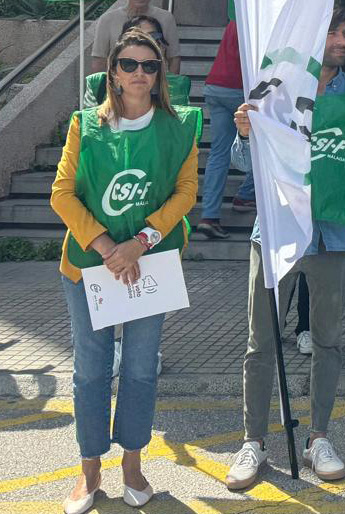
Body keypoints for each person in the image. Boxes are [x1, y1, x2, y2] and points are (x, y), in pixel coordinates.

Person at [225, 7, 345, 488]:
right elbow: (243, 164)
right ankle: (253, 442)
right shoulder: (275, 95)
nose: (340, 40)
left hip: (336, 234)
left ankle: (318, 436)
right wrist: (243, 133)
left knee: (328, 341)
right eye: (331, 32)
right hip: (275, 231)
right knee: (260, 341)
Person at [50, 29, 199, 513]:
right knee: (90, 371)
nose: (139, 73)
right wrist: (108, 245)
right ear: (112, 72)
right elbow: (62, 193)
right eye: (129, 64)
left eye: (149, 66)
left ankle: (133, 463)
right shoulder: (84, 125)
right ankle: (89, 470)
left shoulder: (180, 129)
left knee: (139, 370)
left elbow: (185, 193)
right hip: (89, 267)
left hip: (149, 266)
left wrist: (140, 243)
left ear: (161, 76)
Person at [194, 20, 257, 240]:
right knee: (262, 147)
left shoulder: (236, 16)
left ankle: (209, 216)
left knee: (218, 154)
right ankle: (246, 194)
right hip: (243, 89)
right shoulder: (260, 15)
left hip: (216, 85)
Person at [84, 16, 192, 108]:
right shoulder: (98, 84)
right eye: (136, 38)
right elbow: (88, 129)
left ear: (161, 47)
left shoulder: (178, 85)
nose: (139, 73)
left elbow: (180, 128)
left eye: (152, 37)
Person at [89, 0, 181, 74]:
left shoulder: (166, 18)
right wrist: (98, 88)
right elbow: (99, 60)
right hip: (118, 84)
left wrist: (171, 86)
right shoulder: (107, 19)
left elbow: (174, 58)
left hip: (155, 82)